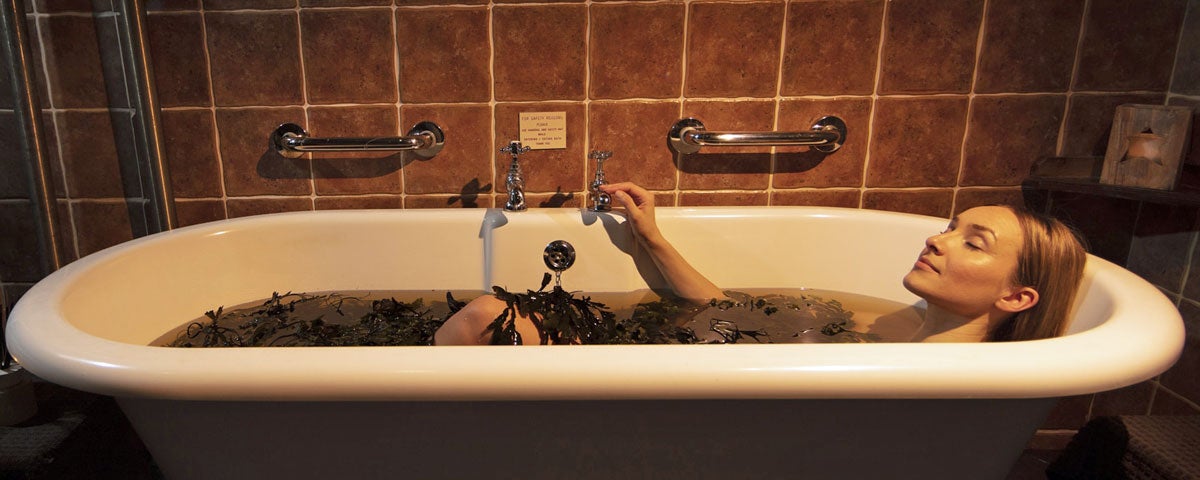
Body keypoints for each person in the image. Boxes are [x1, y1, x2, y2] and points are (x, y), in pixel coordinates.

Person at [434, 182, 1087, 345]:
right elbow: (734, 311)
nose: (938, 240)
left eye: (972, 242)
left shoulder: (944, 371)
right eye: (951, 227)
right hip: (668, 359)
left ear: (1017, 297)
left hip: (667, 392)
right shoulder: (902, 325)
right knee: (487, 313)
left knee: (484, 318)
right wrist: (654, 239)